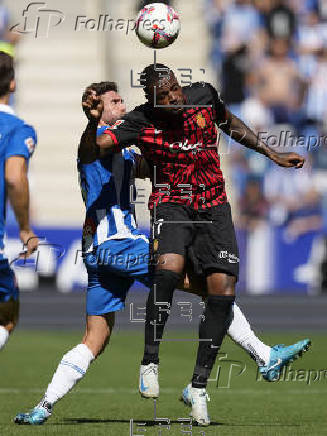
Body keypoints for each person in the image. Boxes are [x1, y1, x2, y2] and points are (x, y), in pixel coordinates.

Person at [14, 79, 310, 426]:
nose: (122, 106)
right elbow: (90, 147)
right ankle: (263, 355)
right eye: (115, 102)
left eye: (123, 100)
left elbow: (155, 167)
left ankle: (44, 406)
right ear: (98, 110)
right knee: (211, 287)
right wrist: (92, 120)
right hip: (119, 244)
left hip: (97, 250)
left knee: (96, 337)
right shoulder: (93, 143)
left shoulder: (125, 148)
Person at [0, 51, 38, 354]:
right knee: (7, 316)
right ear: (12, 84)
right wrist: (25, 228)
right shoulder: (17, 129)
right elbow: (14, 177)